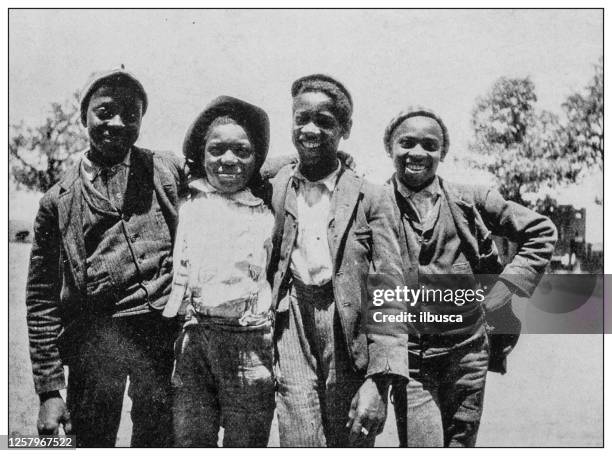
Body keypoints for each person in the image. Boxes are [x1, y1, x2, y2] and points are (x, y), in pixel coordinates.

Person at [25, 68, 186, 447]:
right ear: (84, 117)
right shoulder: (58, 201)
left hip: (161, 335)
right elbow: (41, 298)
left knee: (159, 439)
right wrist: (50, 390)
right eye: (105, 112)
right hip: (96, 339)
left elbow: (231, 169)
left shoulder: (166, 170)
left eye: (131, 115)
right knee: (90, 440)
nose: (117, 123)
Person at [383, 107, 557, 447]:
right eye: (406, 143)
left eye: (430, 145)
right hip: (412, 361)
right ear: (390, 147)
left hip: (468, 355)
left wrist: (505, 290)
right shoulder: (373, 202)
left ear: (443, 152)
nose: (418, 153)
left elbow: (541, 231)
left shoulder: (470, 200)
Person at [269, 74, 409, 447]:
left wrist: (379, 381)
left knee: (351, 437)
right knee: (298, 437)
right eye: (301, 119)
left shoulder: (372, 198)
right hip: (292, 322)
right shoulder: (277, 183)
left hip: (349, 332)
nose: (310, 129)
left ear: (345, 128)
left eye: (325, 121)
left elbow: (390, 291)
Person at [163, 96, 276, 447]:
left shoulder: (266, 204)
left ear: (257, 158)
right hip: (195, 338)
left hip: (249, 343)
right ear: (201, 154)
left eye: (242, 151)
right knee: (191, 439)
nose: (229, 160)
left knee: (247, 442)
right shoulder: (188, 200)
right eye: (217, 150)